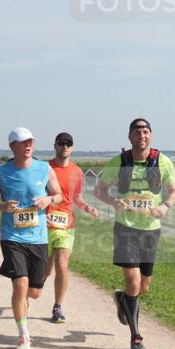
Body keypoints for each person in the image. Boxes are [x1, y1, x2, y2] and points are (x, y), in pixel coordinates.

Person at [95, 118, 175, 349]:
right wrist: (114, 201)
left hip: (151, 228)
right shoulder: (118, 162)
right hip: (126, 227)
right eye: (137, 132)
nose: (142, 135)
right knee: (133, 281)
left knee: (144, 286)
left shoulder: (162, 162)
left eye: (146, 131)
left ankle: (122, 299)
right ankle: (135, 336)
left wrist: (165, 206)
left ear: (150, 135)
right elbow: (100, 190)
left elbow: (174, 191)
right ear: (129, 136)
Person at [0, 127, 63, 349]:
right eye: (22, 142)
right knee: (19, 285)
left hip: (38, 237)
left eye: (31, 142)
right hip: (12, 236)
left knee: (34, 292)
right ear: (12, 146)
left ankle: (24, 301)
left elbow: (59, 195)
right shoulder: (0, 172)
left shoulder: (44, 168)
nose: (28, 146)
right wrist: (2, 207)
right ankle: (24, 336)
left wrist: (48, 199)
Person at [45, 132, 98, 323]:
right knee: (44, 271)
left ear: (72, 148)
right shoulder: (45, 168)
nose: (65, 147)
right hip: (45, 225)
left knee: (61, 266)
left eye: (68, 144)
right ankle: (29, 292)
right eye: (61, 143)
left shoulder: (77, 172)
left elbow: (77, 198)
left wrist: (88, 207)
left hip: (67, 226)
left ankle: (57, 307)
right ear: (55, 146)